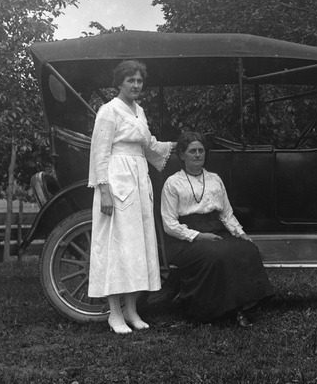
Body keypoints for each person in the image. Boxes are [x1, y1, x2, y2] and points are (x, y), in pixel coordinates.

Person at [87, 60, 176, 334]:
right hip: (116, 181)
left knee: (136, 249)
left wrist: (174, 146)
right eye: (131, 81)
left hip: (138, 180)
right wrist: (104, 191)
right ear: (119, 83)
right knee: (117, 247)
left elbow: (147, 146)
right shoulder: (109, 111)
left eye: (139, 81)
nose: (136, 85)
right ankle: (114, 314)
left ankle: (132, 310)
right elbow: (100, 152)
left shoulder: (139, 111)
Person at [161, 131, 274, 327]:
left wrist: (241, 233)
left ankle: (241, 307)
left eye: (201, 151)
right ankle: (209, 311)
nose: (197, 155)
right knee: (217, 255)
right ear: (182, 155)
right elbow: (169, 223)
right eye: (192, 151)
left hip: (215, 230)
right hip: (184, 239)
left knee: (247, 249)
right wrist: (197, 236)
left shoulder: (214, 179)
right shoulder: (173, 183)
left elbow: (226, 214)